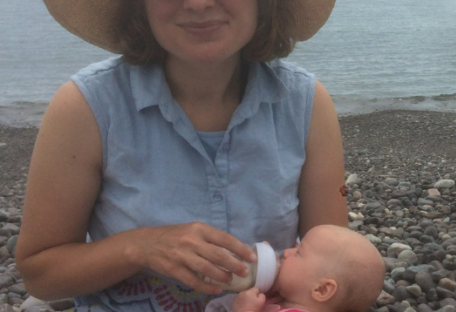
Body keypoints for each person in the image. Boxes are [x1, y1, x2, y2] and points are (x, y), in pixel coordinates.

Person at [15, 0, 349, 311]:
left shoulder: (305, 105)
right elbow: (40, 274)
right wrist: (140, 247)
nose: (198, 4)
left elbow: (338, 268)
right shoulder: (87, 107)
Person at [204, 225, 385, 312]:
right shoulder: (283, 298)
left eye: (298, 252)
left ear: (321, 289)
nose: (288, 252)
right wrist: (259, 267)